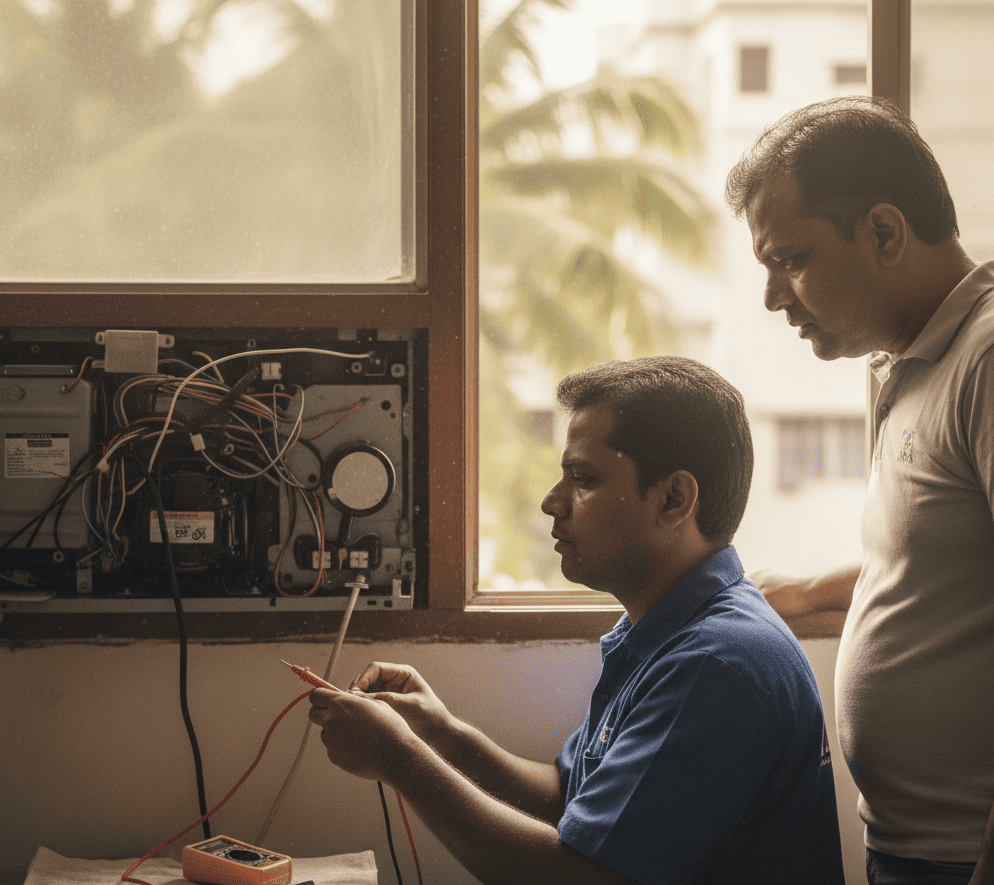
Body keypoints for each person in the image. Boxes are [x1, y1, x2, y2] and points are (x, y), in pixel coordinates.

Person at [307, 356, 844, 885]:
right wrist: (443, 736)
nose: (550, 502)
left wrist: (400, 760)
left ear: (674, 498)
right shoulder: (667, 633)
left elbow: (582, 875)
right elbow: (573, 797)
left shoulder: (718, 664)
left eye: (583, 479)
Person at [725, 94, 994, 885]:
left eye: (792, 260)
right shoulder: (902, 364)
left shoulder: (986, 360)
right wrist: (803, 595)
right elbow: (952, 575)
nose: (775, 298)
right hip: (906, 848)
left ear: (883, 232)